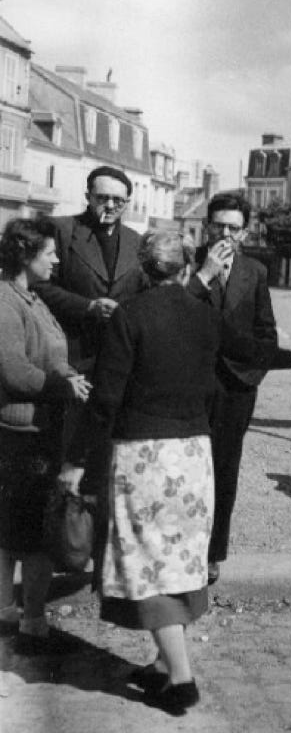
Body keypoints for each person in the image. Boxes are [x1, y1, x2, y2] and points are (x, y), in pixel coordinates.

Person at [61, 230, 277, 715]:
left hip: (144, 457)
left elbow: (106, 399)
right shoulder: (205, 314)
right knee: (178, 559)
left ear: (142, 269)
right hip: (193, 455)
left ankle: (181, 679)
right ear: (186, 267)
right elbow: (248, 349)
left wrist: (76, 460)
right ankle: (162, 663)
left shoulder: (130, 315)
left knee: (147, 561)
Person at [188, 193, 291, 584]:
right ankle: (183, 547)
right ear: (207, 227)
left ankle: (212, 553)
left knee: (224, 471)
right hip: (191, 384)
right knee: (188, 469)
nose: (225, 234)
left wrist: (253, 375)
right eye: (219, 226)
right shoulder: (187, 262)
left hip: (236, 388)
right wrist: (204, 274)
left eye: (234, 228)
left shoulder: (254, 271)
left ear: (245, 233)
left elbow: (265, 329)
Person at [0, 218, 91, 654]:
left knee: (19, 531)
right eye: (50, 253)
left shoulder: (33, 298)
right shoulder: (5, 301)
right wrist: (63, 386)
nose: (56, 260)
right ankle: (29, 621)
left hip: (41, 429)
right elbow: (13, 370)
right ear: (25, 255)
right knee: (31, 535)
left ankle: (13, 612)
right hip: (21, 434)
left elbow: (52, 354)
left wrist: (71, 375)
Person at [34, 165, 147, 373]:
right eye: (102, 198)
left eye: (118, 200)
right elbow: (39, 286)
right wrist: (88, 306)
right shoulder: (61, 230)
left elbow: (144, 294)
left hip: (119, 359)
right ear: (88, 197)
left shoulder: (137, 242)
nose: (110, 206)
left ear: (127, 203)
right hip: (70, 354)